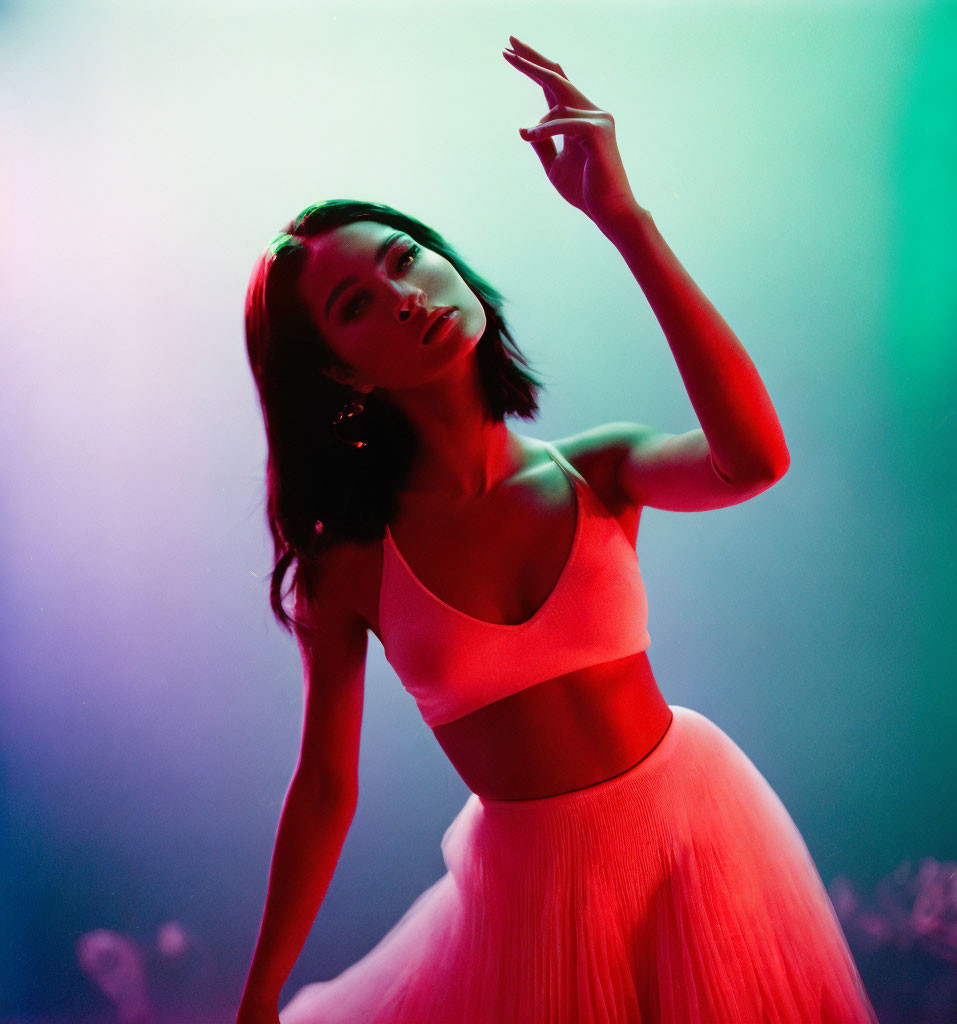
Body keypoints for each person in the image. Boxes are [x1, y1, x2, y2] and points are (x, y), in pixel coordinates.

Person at [235, 35, 879, 1024]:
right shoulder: (352, 563)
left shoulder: (600, 470)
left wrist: (623, 221)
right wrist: (256, 996)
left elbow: (754, 460)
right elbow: (323, 785)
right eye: (357, 304)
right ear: (339, 373)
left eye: (407, 257)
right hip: (528, 907)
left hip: (698, 849)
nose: (408, 296)